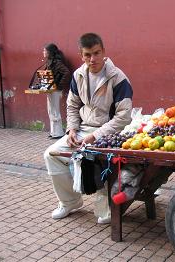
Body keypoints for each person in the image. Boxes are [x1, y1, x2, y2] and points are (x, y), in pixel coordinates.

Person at [43, 33, 133, 224]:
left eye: (96, 53)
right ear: (81, 55)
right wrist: (72, 130)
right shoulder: (78, 75)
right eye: (87, 55)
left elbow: (123, 117)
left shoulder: (118, 78)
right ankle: (70, 201)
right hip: (83, 129)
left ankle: (106, 208)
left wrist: (96, 135)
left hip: (109, 132)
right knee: (51, 154)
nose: (93, 59)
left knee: (97, 160)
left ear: (104, 52)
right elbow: (72, 106)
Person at [43, 43, 72, 139]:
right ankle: (53, 132)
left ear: (50, 52)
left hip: (55, 90)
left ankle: (58, 132)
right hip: (51, 89)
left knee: (55, 110)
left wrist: (59, 86)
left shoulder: (57, 62)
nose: (43, 52)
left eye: (45, 50)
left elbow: (66, 73)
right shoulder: (50, 62)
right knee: (51, 110)